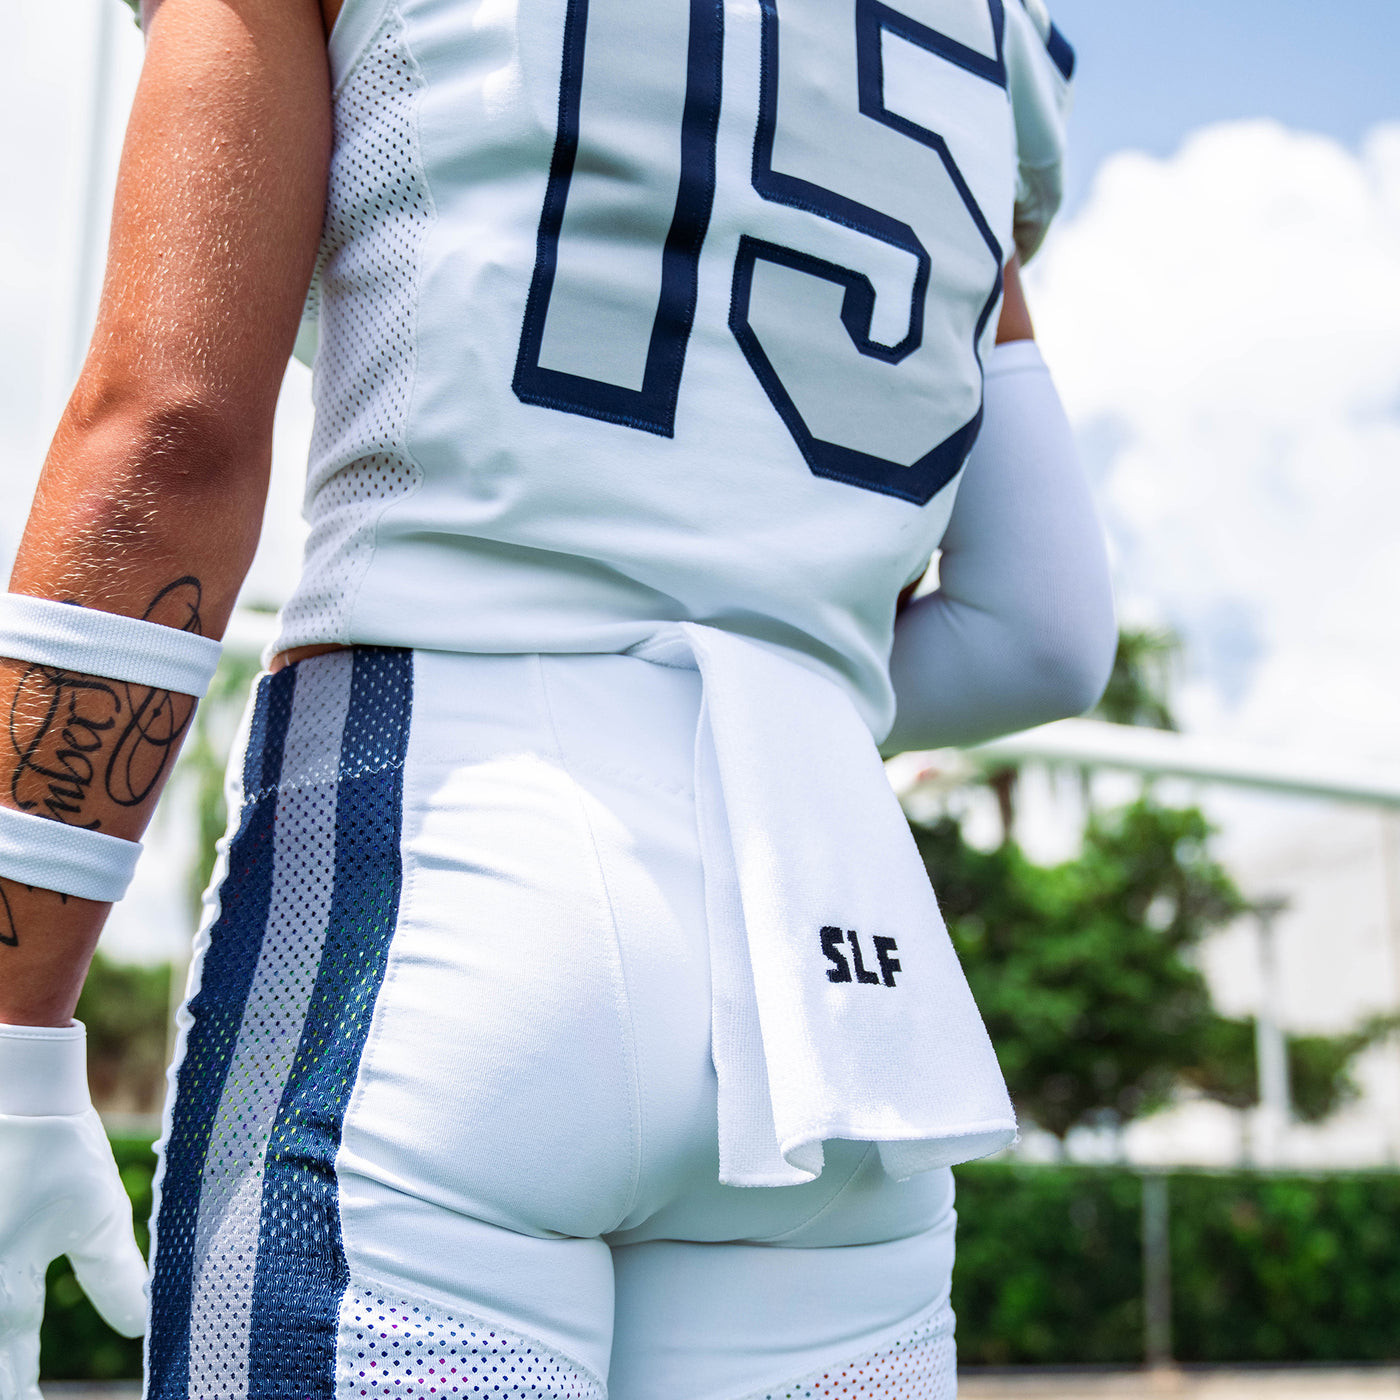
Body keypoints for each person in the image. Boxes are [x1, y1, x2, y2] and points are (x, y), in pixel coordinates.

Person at [0, 0, 1113, 1394]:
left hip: (442, 883)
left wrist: (12, 1017)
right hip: (837, 984)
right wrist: (771, 674)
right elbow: (1048, 630)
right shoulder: (993, 35)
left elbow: (168, 441)